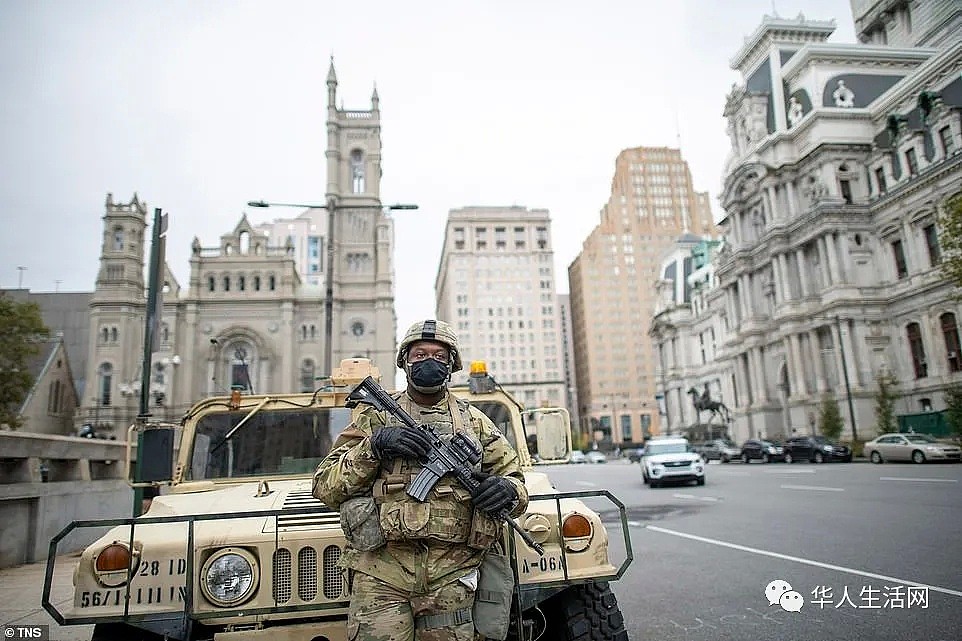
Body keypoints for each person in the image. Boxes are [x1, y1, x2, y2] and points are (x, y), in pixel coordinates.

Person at [313, 319, 529, 641]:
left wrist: (507, 490)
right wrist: (374, 446)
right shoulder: (374, 417)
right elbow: (325, 486)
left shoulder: (475, 422)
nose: (429, 361)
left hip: (452, 574)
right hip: (380, 574)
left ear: (451, 365)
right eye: (420, 354)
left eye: (439, 356)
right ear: (405, 362)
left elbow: (515, 481)